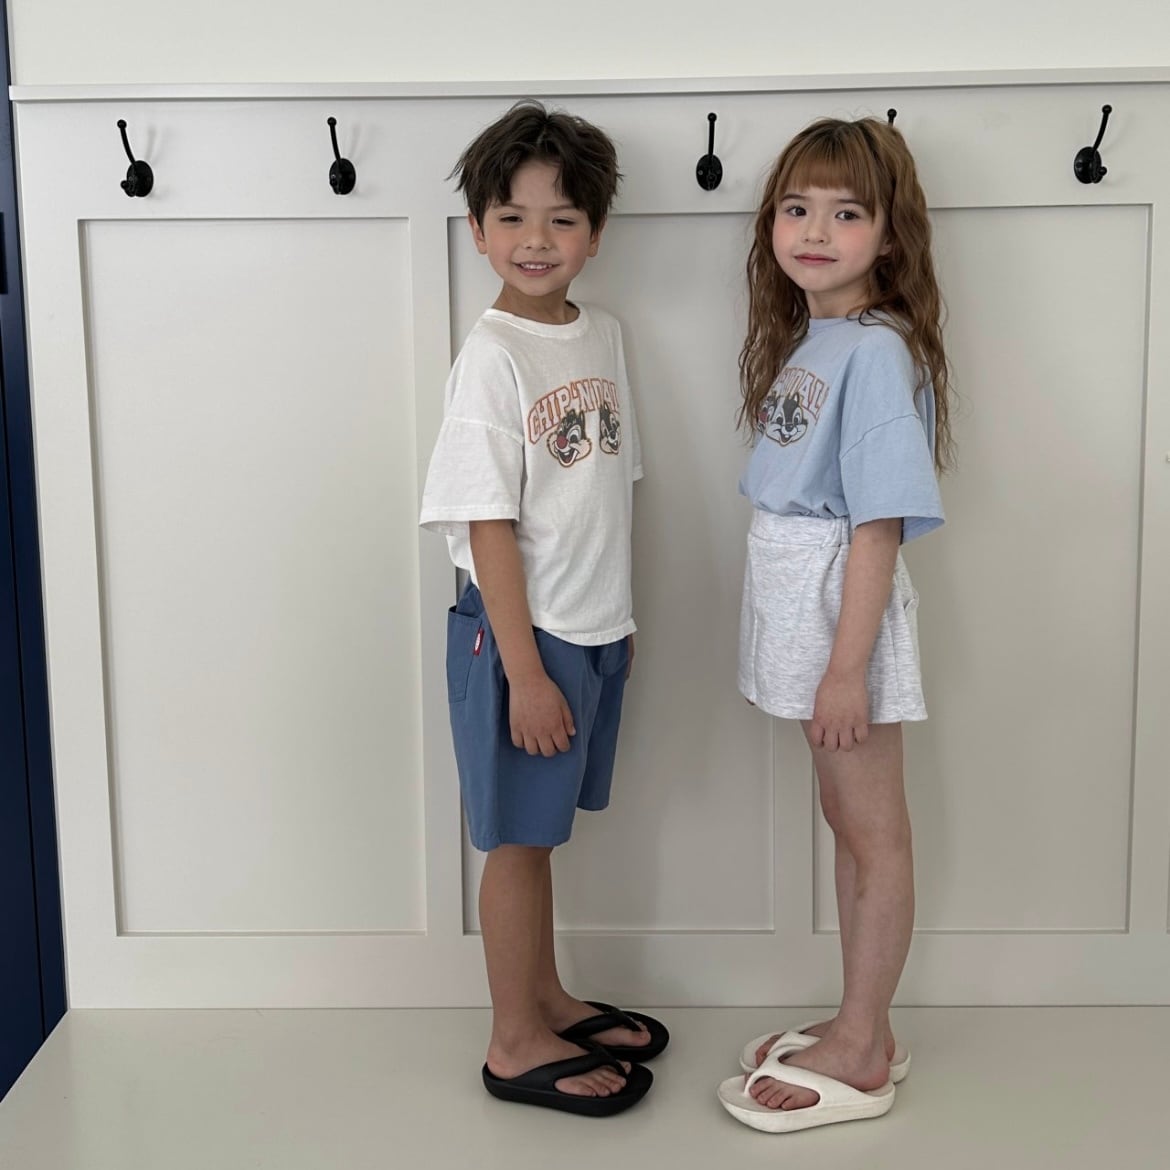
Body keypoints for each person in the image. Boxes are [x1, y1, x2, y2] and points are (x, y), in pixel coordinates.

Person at [419, 100, 667, 1117]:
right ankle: (512, 1040)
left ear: (594, 234)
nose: (536, 239)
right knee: (516, 843)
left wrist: (620, 622)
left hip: (591, 630)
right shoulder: (492, 357)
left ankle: (546, 998)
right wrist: (524, 672)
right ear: (478, 231)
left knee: (543, 832)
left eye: (562, 218)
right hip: (523, 639)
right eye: (512, 218)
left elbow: (607, 490)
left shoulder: (601, 334)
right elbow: (487, 526)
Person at [716, 116, 953, 1134]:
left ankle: (861, 1046)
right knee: (845, 822)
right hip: (800, 598)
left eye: (847, 213)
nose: (816, 230)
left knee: (873, 832)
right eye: (797, 208)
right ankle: (864, 1020)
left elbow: (877, 526)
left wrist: (847, 668)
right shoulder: (821, 339)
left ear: (888, 236)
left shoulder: (877, 353)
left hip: (838, 607)